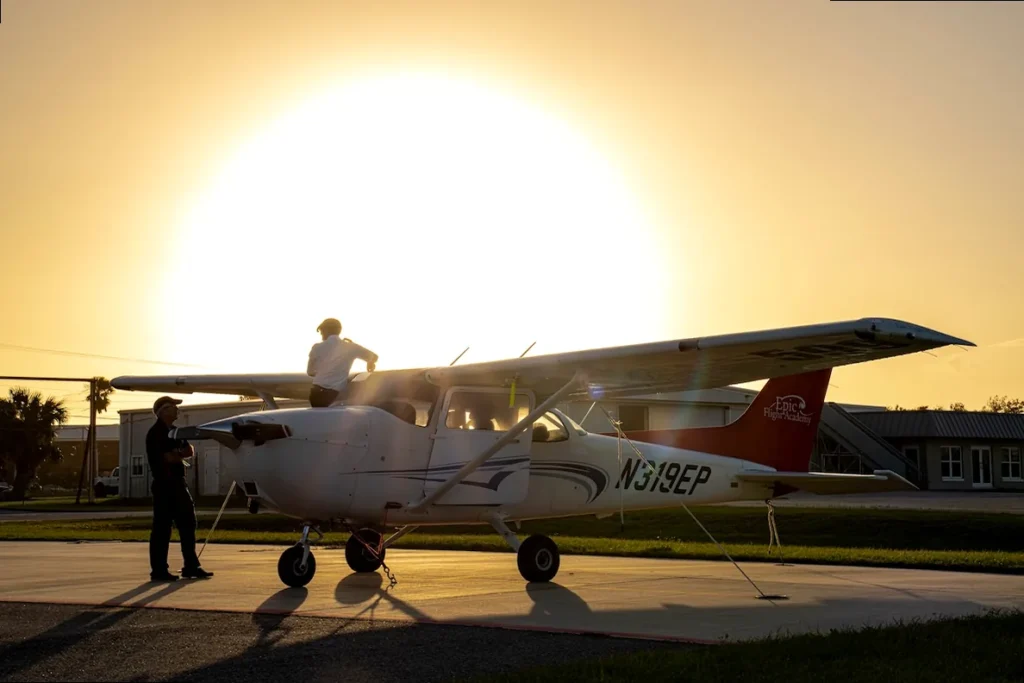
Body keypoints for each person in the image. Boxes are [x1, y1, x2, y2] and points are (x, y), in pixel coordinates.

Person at [146, 396, 213, 581]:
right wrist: (177, 454)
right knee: (162, 528)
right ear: (163, 410)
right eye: (173, 407)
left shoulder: (175, 432)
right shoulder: (156, 433)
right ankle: (159, 570)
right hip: (164, 484)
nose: (177, 410)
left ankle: (191, 565)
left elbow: (189, 450)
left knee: (188, 523)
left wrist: (178, 454)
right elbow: (167, 458)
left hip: (178, 482)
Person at [307, 318, 379, 408]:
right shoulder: (350, 347)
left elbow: (310, 372)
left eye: (321, 331)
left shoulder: (316, 347)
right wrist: (370, 362)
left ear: (325, 330)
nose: (321, 334)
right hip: (335, 395)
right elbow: (374, 357)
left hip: (316, 394)